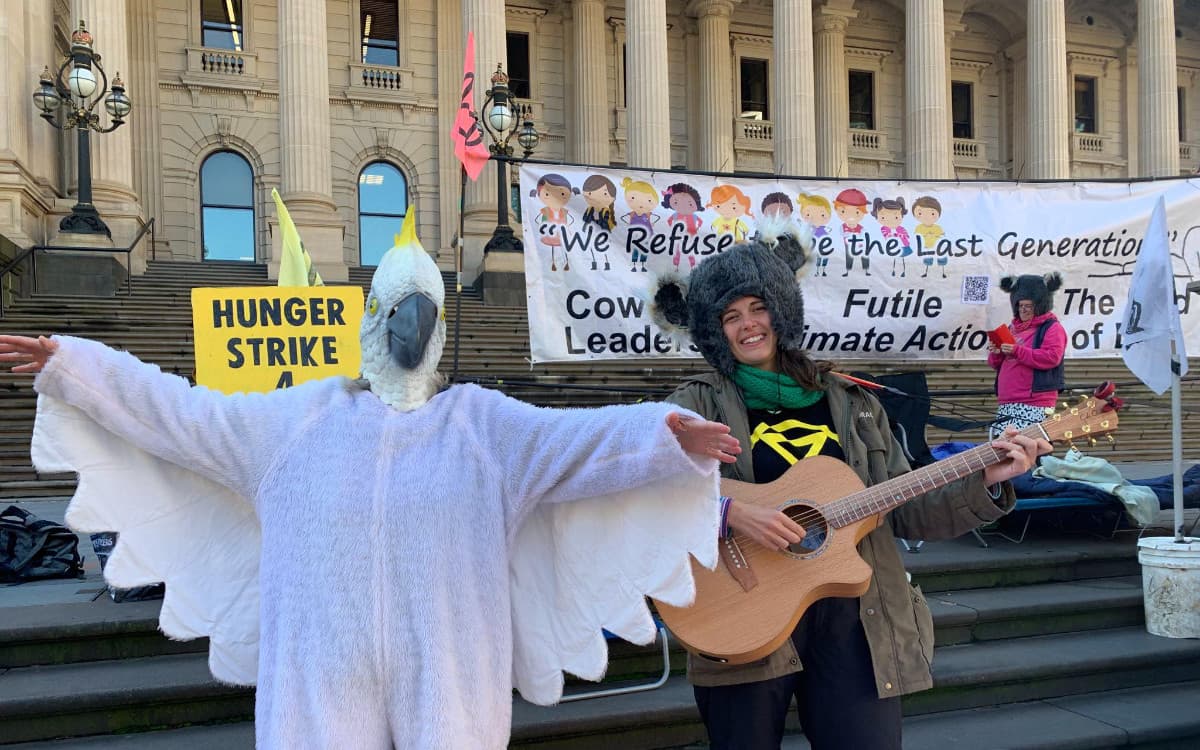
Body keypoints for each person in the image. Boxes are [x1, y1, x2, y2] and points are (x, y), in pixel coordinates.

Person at [0, 214, 742, 750]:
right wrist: (76, 366)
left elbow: (582, 441)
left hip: (450, 680)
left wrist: (662, 437)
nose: (408, 327)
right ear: (370, 318)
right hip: (317, 685)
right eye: (394, 309)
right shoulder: (292, 425)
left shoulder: (484, 429)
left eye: (422, 312)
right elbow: (179, 414)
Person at [650, 218, 1050, 750]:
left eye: (758, 307)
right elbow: (640, 492)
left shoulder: (854, 404)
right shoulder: (691, 406)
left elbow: (907, 507)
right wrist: (731, 512)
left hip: (860, 619)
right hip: (740, 606)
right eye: (730, 315)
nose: (748, 325)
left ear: (781, 311)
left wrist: (987, 480)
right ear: (712, 329)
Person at [987, 273, 1068, 432]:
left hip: (1034, 402)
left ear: (1039, 306)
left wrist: (1017, 350)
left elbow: (1051, 358)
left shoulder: (1052, 328)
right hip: (1007, 402)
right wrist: (997, 352)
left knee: (1028, 449)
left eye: (1028, 306)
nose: (1023, 310)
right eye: (1020, 305)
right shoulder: (1012, 329)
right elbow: (994, 363)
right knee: (1006, 450)